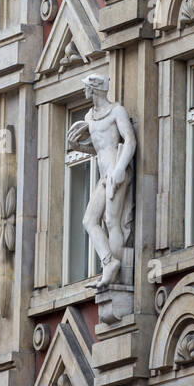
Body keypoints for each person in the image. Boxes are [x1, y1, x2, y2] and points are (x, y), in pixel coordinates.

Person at [66, 73, 137, 290]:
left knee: (112, 221)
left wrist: (119, 169)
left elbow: (130, 140)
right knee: (89, 220)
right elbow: (97, 149)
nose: (84, 91)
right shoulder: (89, 117)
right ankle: (109, 261)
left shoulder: (116, 111)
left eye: (86, 87)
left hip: (116, 168)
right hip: (104, 173)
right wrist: (77, 147)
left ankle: (112, 272)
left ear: (95, 88)